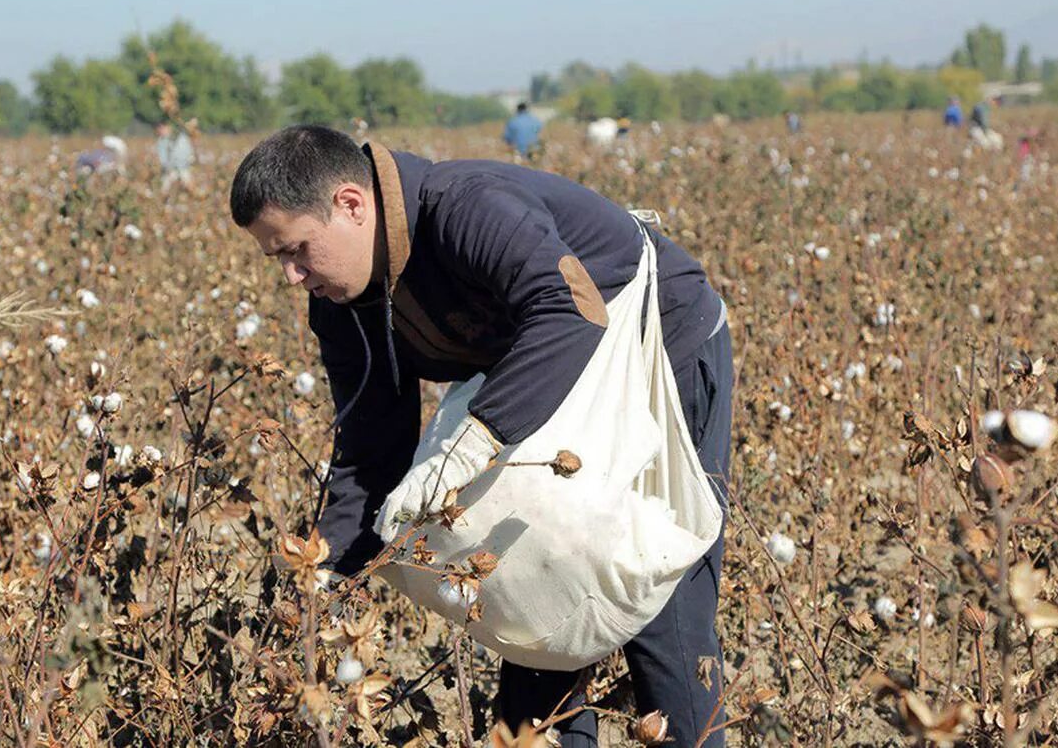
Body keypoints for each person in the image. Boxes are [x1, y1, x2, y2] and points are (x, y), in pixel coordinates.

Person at [228, 125, 732, 747]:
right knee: (531, 590)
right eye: (278, 258)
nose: (292, 276)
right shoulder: (341, 301)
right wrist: (325, 576)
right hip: (549, 375)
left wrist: (479, 438)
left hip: (658, 350)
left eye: (297, 250)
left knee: (657, 591)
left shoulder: (466, 205)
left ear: (351, 205)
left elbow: (568, 310)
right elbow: (370, 446)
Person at [154, 121, 196, 192]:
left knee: (190, 189)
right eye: (159, 129)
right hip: (170, 170)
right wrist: (167, 168)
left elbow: (188, 153)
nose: (161, 131)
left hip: (183, 168)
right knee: (165, 191)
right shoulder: (161, 142)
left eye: (163, 128)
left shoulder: (181, 138)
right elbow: (163, 159)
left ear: (168, 127)